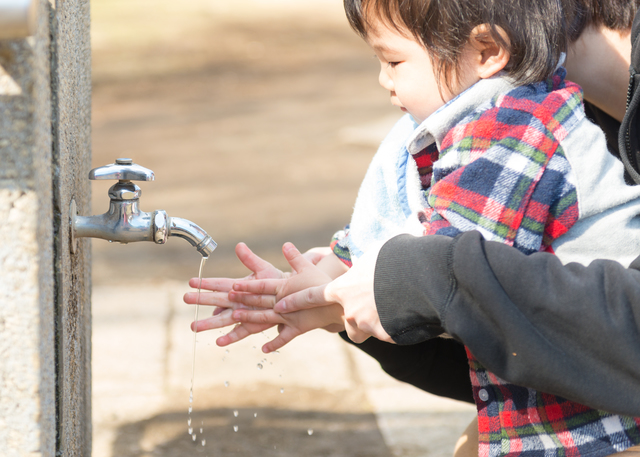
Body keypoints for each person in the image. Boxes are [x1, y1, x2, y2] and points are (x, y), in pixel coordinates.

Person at [186, 0, 640, 455]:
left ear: (486, 50)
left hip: (606, 424)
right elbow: (437, 259)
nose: (384, 81)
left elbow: (451, 254)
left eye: (394, 61)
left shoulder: (516, 128)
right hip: (579, 401)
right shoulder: (505, 116)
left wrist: (342, 295)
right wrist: (340, 273)